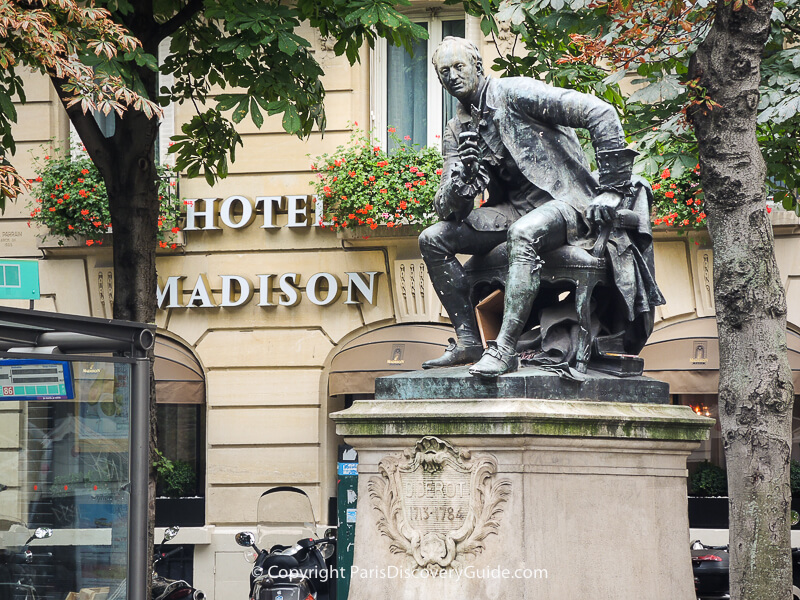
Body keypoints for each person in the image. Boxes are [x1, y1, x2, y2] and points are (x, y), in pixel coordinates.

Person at [419, 37, 657, 377]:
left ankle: (503, 350)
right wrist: (463, 179)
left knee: (523, 232)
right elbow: (447, 208)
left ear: (478, 67)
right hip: (513, 209)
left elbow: (601, 113)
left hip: (566, 203)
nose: (453, 76)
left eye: (460, 67)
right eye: (445, 72)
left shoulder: (515, 93)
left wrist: (611, 190)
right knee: (433, 238)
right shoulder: (458, 130)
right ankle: (469, 341)